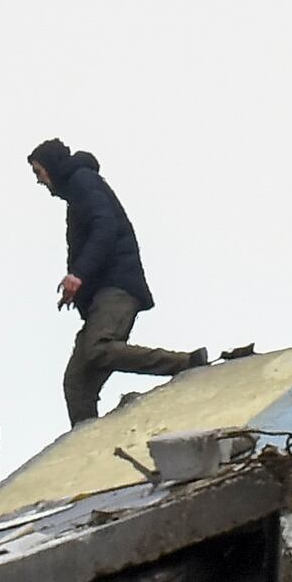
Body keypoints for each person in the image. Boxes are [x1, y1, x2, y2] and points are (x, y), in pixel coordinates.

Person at [32, 136, 196, 426]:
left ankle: (186, 364)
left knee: (98, 349)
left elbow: (105, 227)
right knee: (77, 382)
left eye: (38, 172)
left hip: (118, 287)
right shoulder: (76, 193)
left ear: (51, 167)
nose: (39, 181)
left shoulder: (83, 182)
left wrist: (78, 275)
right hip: (101, 295)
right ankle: (87, 445)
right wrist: (79, 290)